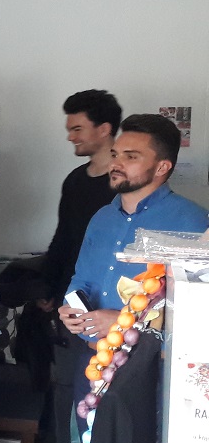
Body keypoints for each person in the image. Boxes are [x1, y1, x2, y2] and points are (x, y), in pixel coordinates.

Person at [59, 114, 208, 367]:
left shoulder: (194, 223)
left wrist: (125, 322)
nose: (116, 163)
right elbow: (82, 278)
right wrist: (70, 308)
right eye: (115, 154)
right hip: (93, 358)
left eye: (131, 157)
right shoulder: (102, 217)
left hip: (152, 365)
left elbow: (198, 309)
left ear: (161, 167)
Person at [31, 90, 123, 443]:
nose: (71, 136)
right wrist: (49, 288)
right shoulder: (74, 181)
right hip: (74, 300)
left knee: (112, 387)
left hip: (120, 303)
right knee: (67, 383)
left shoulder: (124, 182)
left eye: (77, 128)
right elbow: (64, 238)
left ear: (104, 129)